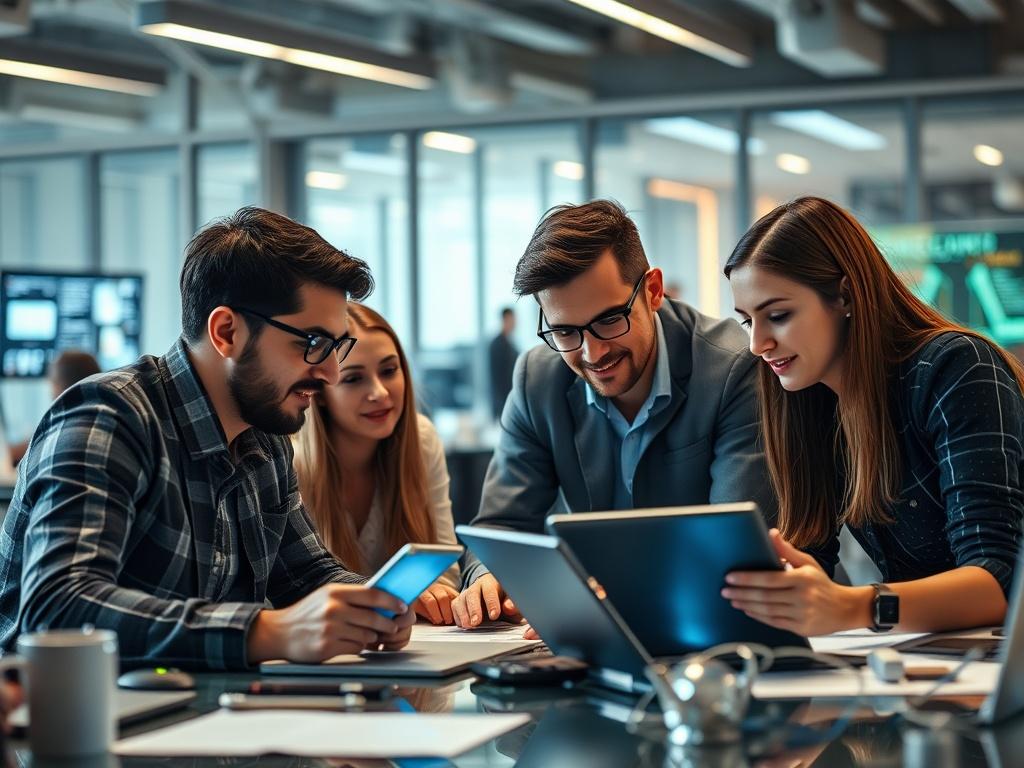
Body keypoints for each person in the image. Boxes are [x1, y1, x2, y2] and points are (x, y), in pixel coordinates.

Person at [0, 207, 416, 669]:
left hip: (203, 723)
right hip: (79, 724)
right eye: (314, 344)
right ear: (226, 332)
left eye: (337, 347)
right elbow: (58, 608)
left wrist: (372, 604)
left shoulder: (264, 432)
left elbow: (306, 574)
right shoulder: (108, 415)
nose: (331, 372)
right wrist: (264, 631)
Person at [452, 199, 775, 628]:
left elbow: (735, 551)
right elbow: (501, 524)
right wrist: (490, 576)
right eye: (565, 331)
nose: (593, 353)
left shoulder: (735, 368)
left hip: (734, 637)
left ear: (653, 290)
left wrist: (599, 606)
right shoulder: (538, 377)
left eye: (608, 320)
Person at [723, 196, 1024, 636]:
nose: (758, 344)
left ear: (845, 295)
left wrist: (853, 605)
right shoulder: (806, 400)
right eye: (747, 321)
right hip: (928, 660)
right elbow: (818, 563)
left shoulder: (956, 367)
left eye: (779, 315)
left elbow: (999, 580)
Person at [294, 303, 460, 625]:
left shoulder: (422, 440)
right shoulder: (291, 464)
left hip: (406, 646)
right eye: (354, 379)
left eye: (389, 370)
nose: (380, 392)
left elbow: (444, 569)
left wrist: (435, 592)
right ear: (322, 394)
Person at [8, 350, 102, 466]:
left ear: (59, 384)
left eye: (52, 380)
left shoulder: (66, 428)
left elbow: (34, 445)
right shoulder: (104, 417)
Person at [488, 307, 519, 420]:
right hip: (503, 402)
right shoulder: (497, 344)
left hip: (511, 398)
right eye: (513, 319)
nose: (516, 322)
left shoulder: (510, 343)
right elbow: (497, 379)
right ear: (506, 319)